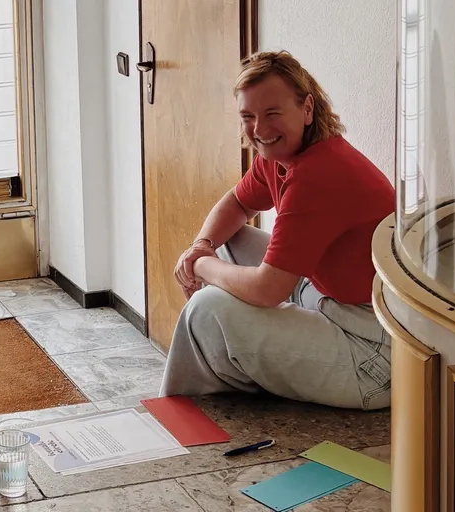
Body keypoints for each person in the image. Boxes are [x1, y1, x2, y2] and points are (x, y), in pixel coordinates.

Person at [160, 51, 395, 411]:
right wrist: (202, 245)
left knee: (207, 308)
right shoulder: (282, 157)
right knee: (229, 240)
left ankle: (181, 416)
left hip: (373, 356)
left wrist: (200, 265)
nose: (260, 130)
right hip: (327, 298)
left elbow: (269, 290)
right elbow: (237, 204)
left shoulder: (317, 176)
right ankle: (238, 370)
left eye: (272, 114)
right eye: (248, 117)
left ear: (307, 109)